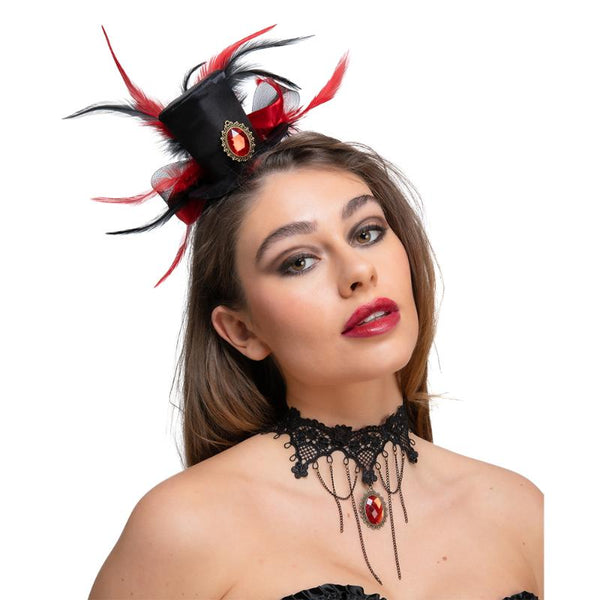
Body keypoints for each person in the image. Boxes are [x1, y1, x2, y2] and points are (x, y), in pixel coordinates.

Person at [68, 25, 543, 600]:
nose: (357, 271)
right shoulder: (183, 528)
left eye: (367, 232)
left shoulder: (525, 515)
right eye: (298, 261)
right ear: (241, 330)